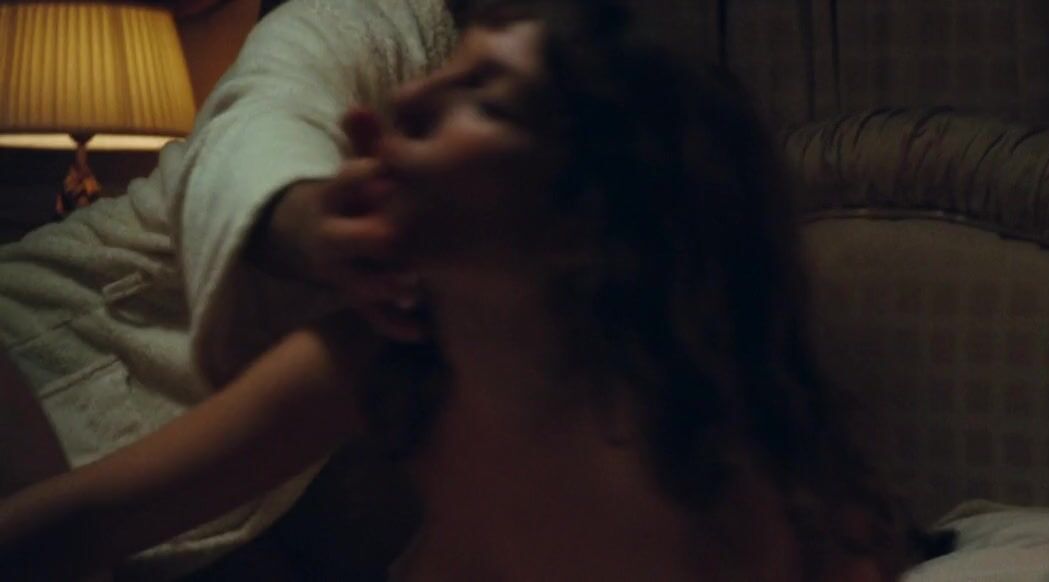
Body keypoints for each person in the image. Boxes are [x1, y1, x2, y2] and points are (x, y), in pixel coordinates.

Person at [2, 0, 933, 579]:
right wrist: (307, 217)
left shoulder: (713, 462)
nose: (401, 104)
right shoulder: (385, 360)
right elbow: (82, 521)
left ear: (585, 213)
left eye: (480, 97)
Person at [0, 0, 458, 576]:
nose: (423, 93)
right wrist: (307, 212)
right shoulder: (372, 25)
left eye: (488, 95)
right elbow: (263, 116)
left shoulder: (406, 341)